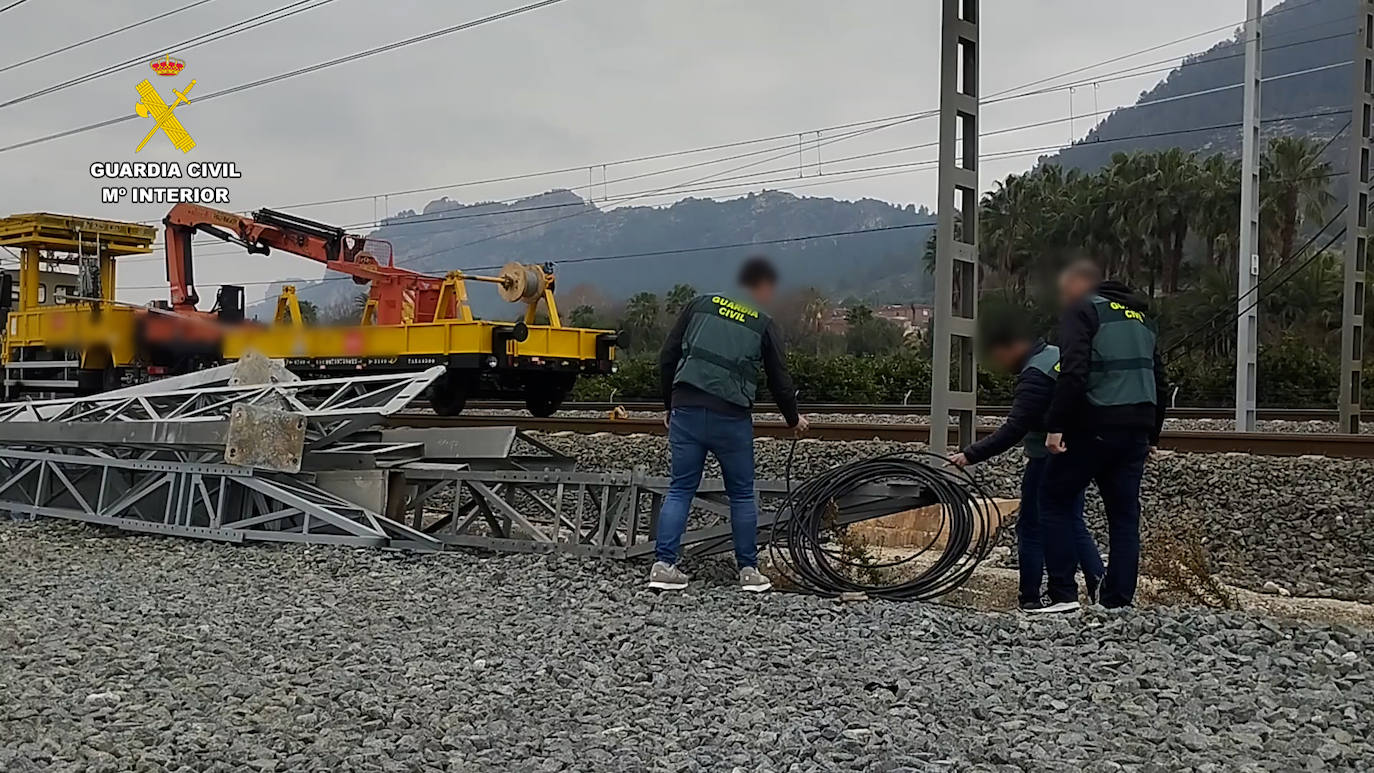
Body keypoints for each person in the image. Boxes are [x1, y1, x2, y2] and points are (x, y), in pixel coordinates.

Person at [650, 256, 809, 593]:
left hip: (687, 409)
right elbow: (780, 378)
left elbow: (668, 355)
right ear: (762, 287)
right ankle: (749, 571)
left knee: (680, 488)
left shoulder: (699, 304)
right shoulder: (762, 322)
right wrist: (792, 419)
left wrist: (669, 404)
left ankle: (663, 566)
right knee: (741, 493)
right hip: (731, 418)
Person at [947, 318, 1104, 612]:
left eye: (999, 355)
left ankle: (1031, 598)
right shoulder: (1059, 356)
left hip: (1048, 458)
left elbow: (1015, 428)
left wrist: (970, 455)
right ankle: (1101, 588)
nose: (1000, 363)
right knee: (1073, 521)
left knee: (1031, 527)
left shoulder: (1035, 373)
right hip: (1078, 452)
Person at [1038, 259, 1167, 613]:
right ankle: (1118, 601)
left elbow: (1074, 371)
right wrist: (1152, 435)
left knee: (1054, 500)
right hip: (1136, 430)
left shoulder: (1081, 311)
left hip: (1094, 425)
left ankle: (1063, 595)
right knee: (1124, 516)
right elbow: (1160, 378)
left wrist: (1056, 425)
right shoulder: (1141, 319)